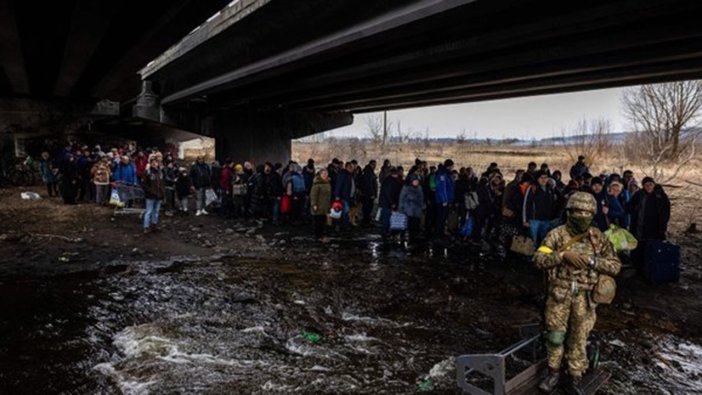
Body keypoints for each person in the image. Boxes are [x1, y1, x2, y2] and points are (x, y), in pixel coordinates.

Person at [534, 192, 621, 395]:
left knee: (579, 338)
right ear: (569, 212)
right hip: (559, 295)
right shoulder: (556, 234)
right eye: (577, 212)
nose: (581, 216)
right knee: (555, 336)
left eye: (586, 213)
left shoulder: (598, 238)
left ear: (592, 214)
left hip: (585, 297)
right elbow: (538, 259)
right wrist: (562, 255)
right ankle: (553, 372)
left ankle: (574, 376)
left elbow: (615, 266)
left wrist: (593, 261)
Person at [627, 177, 670, 241]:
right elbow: (629, 206)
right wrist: (635, 210)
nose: (649, 187)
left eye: (650, 184)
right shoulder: (639, 194)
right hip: (640, 227)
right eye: (646, 185)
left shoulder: (660, 195)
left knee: (653, 246)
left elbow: (665, 212)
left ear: (654, 185)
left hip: (655, 227)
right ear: (643, 186)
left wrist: (662, 227)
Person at [523, 171, 558, 247]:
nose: (543, 179)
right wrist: (524, 220)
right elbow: (526, 204)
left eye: (545, 177)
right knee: (532, 242)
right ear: (537, 179)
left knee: (544, 242)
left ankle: (541, 258)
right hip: (534, 220)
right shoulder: (532, 188)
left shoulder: (550, 189)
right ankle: (531, 258)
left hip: (546, 220)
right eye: (541, 178)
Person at [142, 155, 166, 234]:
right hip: (150, 195)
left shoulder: (160, 172)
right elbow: (144, 184)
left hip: (159, 195)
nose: (155, 164)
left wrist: (162, 193)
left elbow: (162, 183)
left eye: (157, 162)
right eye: (154, 162)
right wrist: (150, 191)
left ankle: (154, 225)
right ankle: (146, 227)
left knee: (156, 211)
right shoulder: (147, 172)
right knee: (149, 211)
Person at [398, 175, 424, 242]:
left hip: (417, 209)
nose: (416, 182)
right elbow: (401, 198)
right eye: (415, 181)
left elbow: (421, 198)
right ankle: (405, 235)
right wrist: (401, 208)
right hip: (408, 209)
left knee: (416, 223)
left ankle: (414, 236)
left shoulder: (419, 188)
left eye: (417, 181)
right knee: (407, 223)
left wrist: (422, 205)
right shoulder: (406, 188)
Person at [309, 169, 332, 242]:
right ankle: (318, 237)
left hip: (325, 206)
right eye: (323, 174)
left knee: (323, 222)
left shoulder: (327, 183)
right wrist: (314, 204)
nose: (325, 175)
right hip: (318, 206)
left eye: (326, 173)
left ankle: (322, 236)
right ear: (320, 175)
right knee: (318, 222)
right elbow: (313, 195)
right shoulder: (317, 184)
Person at [378, 168, 402, 237]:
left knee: (387, 218)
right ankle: (385, 233)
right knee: (386, 219)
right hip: (386, 203)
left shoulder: (389, 180)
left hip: (386, 203)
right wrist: (392, 203)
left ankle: (386, 232)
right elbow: (388, 193)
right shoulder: (390, 181)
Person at [434, 159, 455, 236]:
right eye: (452, 166)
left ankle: (441, 232)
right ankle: (438, 233)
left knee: (444, 217)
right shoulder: (442, 174)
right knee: (441, 217)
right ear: (449, 166)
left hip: (447, 199)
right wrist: (444, 200)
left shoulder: (447, 174)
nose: (453, 168)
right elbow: (441, 188)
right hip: (443, 201)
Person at [334, 162, 355, 227]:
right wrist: (337, 195)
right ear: (346, 167)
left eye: (352, 167)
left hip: (349, 196)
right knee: (345, 211)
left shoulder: (350, 175)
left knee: (346, 211)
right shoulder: (343, 174)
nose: (351, 169)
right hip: (344, 196)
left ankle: (344, 224)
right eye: (350, 167)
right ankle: (344, 224)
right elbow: (338, 185)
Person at [360, 160, 378, 226]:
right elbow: (369, 184)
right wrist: (372, 194)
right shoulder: (368, 172)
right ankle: (366, 221)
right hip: (368, 194)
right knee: (367, 208)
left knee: (367, 208)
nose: (375, 166)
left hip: (367, 193)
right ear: (370, 164)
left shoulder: (369, 171)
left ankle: (367, 220)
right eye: (374, 164)